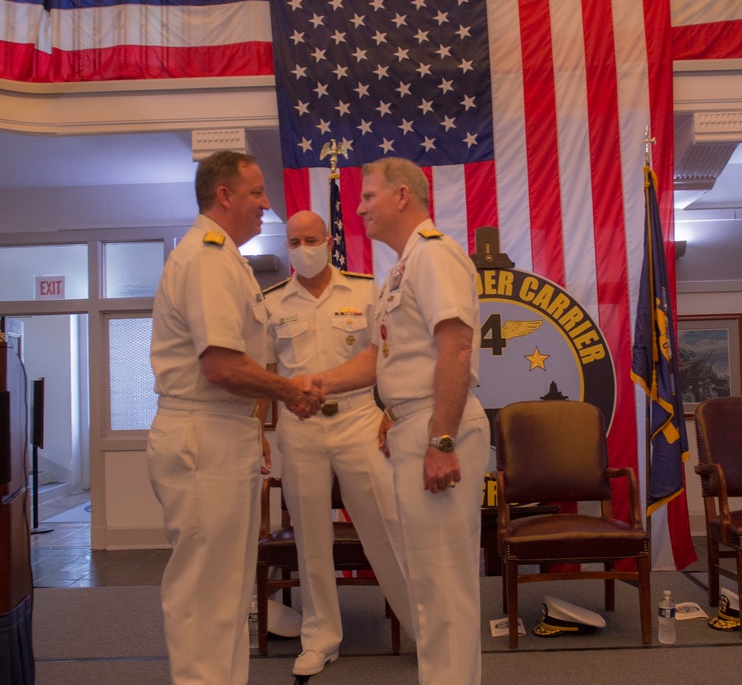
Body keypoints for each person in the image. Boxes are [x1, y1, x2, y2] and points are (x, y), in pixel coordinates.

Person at [147, 151, 323, 685]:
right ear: (224, 195)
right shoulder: (205, 258)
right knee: (205, 593)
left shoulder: (224, 258)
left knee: (226, 592)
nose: (267, 205)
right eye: (256, 193)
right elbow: (221, 365)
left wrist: (254, 419)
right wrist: (289, 391)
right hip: (204, 433)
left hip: (225, 429)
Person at [316, 157, 489, 684]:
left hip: (438, 427)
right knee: (429, 583)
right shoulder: (403, 266)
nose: (361, 207)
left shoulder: (435, 257)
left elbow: (456, 350)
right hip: (414, 426)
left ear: (402, 197)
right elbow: (380, 358)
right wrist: (316, 384)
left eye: (369, 196)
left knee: (443, 584)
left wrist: (440, 438)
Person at [259, 210, 415, 677]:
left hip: (358, 421)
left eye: (311, 238)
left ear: (329, 241)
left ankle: (423, 629)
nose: (303, 248)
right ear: (286, 246)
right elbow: (267, 374)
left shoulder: (366, 290)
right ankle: (321, 638)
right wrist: (257, 434)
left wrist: (393, 413)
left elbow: (387, 358)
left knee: (386, 527)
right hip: (299, 428)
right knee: (311, 538)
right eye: (294, 241)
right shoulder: (270, 302)